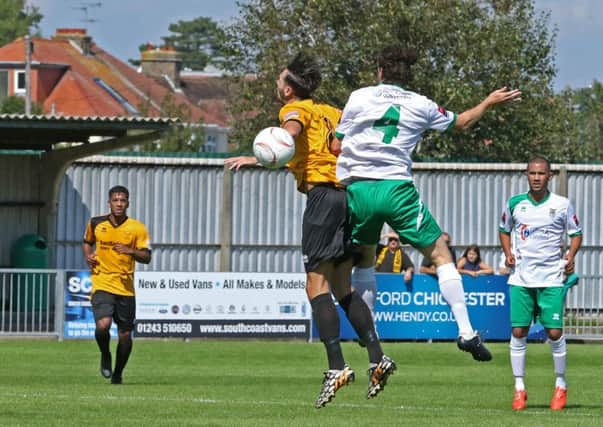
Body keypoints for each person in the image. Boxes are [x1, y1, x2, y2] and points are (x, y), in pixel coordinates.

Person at [224, 53, 395, 408]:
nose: (276, 85)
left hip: (321, 200)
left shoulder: (294, 111)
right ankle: (378, 357)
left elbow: (291, 134)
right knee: (342, 287)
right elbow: (337, 146)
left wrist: (273, 144)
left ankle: (337, 367)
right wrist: (261, 157)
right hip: (350, 198)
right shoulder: (332, 112)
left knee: (314, 285)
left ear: (288, 89)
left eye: (278, 81)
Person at [333, 45, 521, 362]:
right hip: (397, 189)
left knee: (365, 259)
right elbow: (461, 122)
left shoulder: (359, 97)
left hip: (359, 190)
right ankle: (466, 332)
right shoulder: (421, 104)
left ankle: (371, 336)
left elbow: (337, 144)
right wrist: (488, 102)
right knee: (440, 254)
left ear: (380, 71)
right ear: (408, 76)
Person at [499, 156, 582, 411]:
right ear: (526, 175)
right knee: (518, 332)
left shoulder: (562, 204)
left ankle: (560, 384)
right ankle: (519, 388)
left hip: (551, 279)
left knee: (554, 332)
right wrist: (508, 252)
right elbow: (504, 229)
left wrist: (570, 256)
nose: (536, 177)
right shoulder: (515, 203)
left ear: (550, 176)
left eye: (541, 173)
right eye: (532, 173)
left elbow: (576, 233)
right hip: (521, 278)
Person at [82, 185, 151, 385]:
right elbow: (87, 241)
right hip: (102, 281)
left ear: (128, 203)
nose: (119, 204)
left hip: (125, 287)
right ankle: (105, 354)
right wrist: (88, 256)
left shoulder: (137, 228)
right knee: (102, 326)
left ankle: (118, 372)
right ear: (109, 202)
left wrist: (130, 251)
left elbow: (147, 257)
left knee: (125, 334)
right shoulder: (96, 223)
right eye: (115, 200)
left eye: (123, 200)